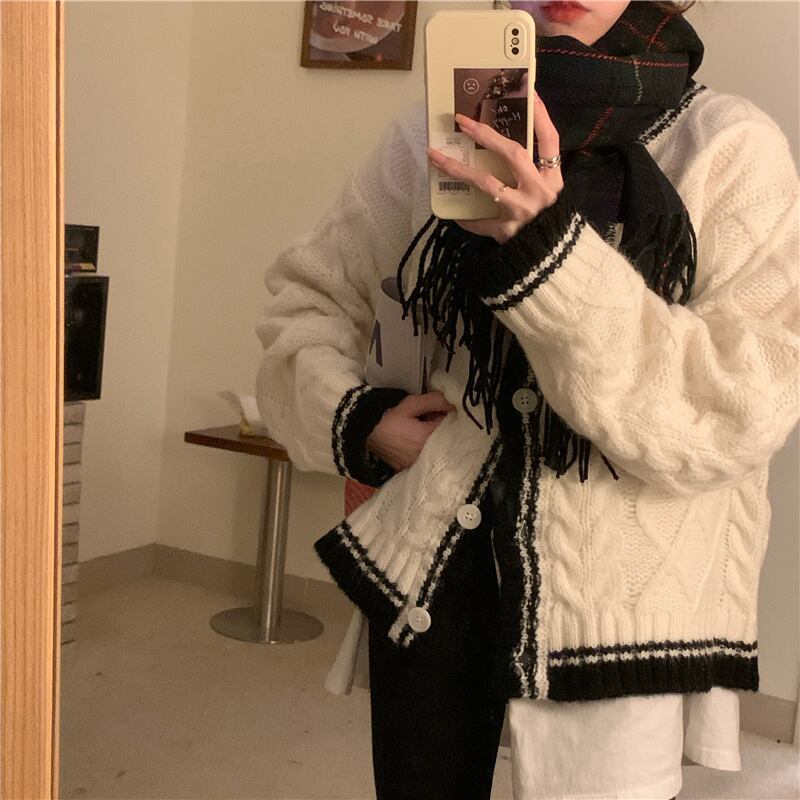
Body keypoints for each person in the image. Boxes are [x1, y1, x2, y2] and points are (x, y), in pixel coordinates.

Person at [254, 1, 800, 798]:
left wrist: (551, 255)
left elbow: (744, 404)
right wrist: (361, 422)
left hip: (615, 614)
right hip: (434, 579)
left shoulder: (727, 147)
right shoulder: (438, 133)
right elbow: (307, 301)